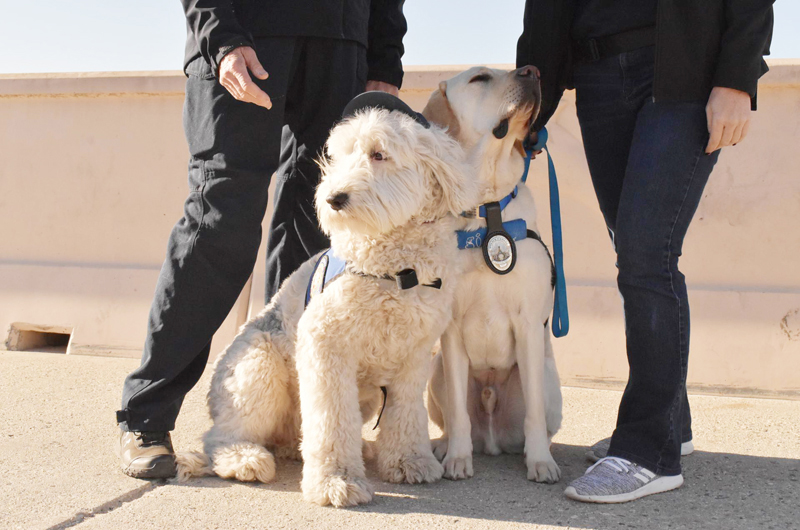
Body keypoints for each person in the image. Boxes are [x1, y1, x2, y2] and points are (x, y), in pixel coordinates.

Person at [116, 0, 407, 479]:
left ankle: (288, 419)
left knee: (320, 228)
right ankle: (146, 413)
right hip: (247, 27)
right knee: (221, 217)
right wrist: (221, 35)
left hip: (341, 41)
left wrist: (383, 57)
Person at [517, 0, 774, 503]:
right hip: (597, 76)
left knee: (646, 252)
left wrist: (739, 76)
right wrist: (531, 100)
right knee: (631, 246)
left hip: (684, 71)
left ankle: (648, 452)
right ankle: (671, 423)